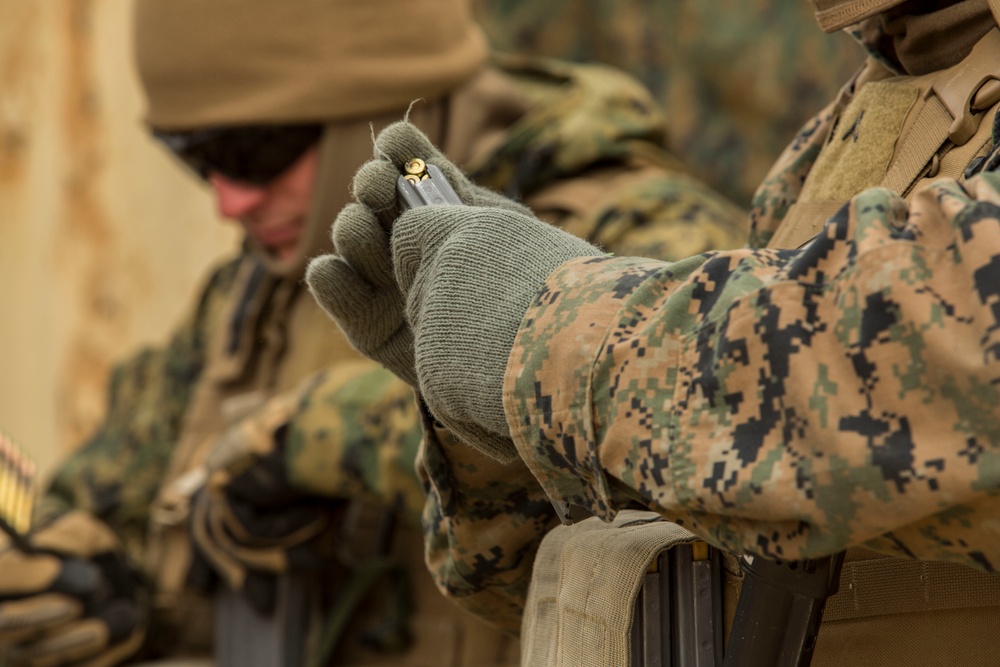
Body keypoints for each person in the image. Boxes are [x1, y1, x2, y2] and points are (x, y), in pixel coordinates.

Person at [0, 0, 748, 665]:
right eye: (195, 160)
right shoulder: (251, 298)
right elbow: (107, 503)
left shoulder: (646, 237)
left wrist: (318, 430)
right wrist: (77, 584)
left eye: (251, 154)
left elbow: (712, 438)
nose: (229, 201)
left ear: (373, 107)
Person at [306, 0, 1000, 663]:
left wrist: (557, 334)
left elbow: (958, 373)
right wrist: (498, 416)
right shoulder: (874, 102)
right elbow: (701, 552)